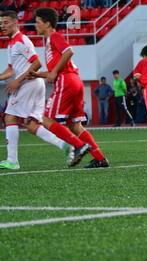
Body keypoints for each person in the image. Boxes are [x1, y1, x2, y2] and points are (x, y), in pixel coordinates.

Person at [30, 7, 109, 169]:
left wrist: (54, 72)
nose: (35, 25)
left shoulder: (54, 36)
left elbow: (69, 52)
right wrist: (38, 75)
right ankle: (100, 159)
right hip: (74, 81)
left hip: (66, 81)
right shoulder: (48, 42)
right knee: (75, 125)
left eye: (38, 22)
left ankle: (78, 145)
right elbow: (55, 70)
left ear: (47, 24)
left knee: (46, 120)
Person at [0, 10, 72, 170]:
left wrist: (17, 81)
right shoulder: (12, 43)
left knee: (10, 117)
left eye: (5, 23)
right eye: (1, 23)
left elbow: (37, 63)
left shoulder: (21, 40)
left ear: (15, 23)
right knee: (32, 125)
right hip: (33, 84)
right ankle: (65, 145)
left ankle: (12, 160)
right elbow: (11, 71)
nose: (2, 26)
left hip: (28, 83)